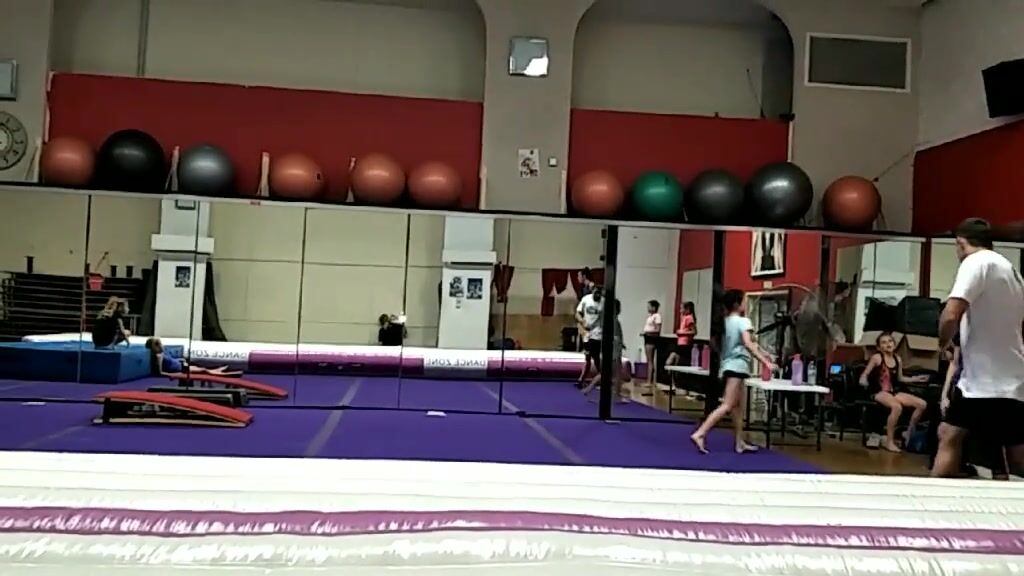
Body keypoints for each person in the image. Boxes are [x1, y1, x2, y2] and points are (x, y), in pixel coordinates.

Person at [932, 218, 1024, 478]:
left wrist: (943, 342)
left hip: (982, 381)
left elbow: (952, 313)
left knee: (949, 434)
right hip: (1014, 378)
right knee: (1016, 452)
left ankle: (933, 495)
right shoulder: (1011, 271)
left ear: (961, 243)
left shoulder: (975, 262)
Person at [690, 289, 775, 454]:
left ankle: (739, 442)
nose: (745, 304)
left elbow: (750, 344)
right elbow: (749, 344)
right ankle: (700, 433)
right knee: (728, 404)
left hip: (729, 365)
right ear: (737, 304)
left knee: (737, 407)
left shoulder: (725, 322)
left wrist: (765, 354)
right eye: (743, 301)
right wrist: (765, 362)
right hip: (737, 367)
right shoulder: (743, 322)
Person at [937, 334, 1009, 479]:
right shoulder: (964, 331)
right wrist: (944, 394)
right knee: (948, 433)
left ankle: (999, 473)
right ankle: (951, 472)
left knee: (994, 437)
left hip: (992, 388)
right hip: (965, 388)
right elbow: (955, 363)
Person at [857, 332, 929, 453]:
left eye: (890, 341)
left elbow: (900, 378)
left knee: (922, 404)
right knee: (897, 407)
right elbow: (865, 374)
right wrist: (863, 380)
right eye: (884, 343)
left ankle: (909, 432)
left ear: (894, 344)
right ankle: (889, 441)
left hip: (893, 391)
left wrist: (916, 379)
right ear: (879, 347)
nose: (888, 344)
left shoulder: (897, 359)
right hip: (879, 392)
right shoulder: (877, 358)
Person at [582, 298, 629, 403]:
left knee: (606, 372)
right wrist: (619, 344)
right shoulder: (613, 321)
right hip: (614, 349)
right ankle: (616, 395)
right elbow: (614, 335)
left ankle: (589, 389)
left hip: (613, 347)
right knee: (616, 372)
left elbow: (616, 335)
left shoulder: (610, 320)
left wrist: (621, 343)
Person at [145, 337, 239, 377]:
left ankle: (218, 370)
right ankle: (224, 374)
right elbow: (160, 372)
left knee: (202, 368)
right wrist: (174, 375)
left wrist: (180, 359)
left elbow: (171, 361)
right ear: (155, 347)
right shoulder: (159, 356)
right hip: (181, 369)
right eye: (159, 344)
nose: (162, 346)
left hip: (181, 365)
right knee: (203, 370)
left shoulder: (163, 353)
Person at [575, 286, 603, 387]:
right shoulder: (586, 299)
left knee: (595, 358)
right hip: (587, 334)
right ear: (592, 292)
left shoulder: (603, 302)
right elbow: (577, 313)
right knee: (588, 357)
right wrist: (582, 322)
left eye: (599, 293)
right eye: (596, 293)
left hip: (598, 334)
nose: (597, 295)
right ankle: (581, 380)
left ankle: (601, 378)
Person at [665, 301, 697, 368]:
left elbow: (694, 332)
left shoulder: (689, 318)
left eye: (681, 308)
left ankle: (670, 371)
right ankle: (673, 373)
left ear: (687, 309)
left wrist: (681, 332)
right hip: (680, 342)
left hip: (685, 343)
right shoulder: (685, 317)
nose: (680, 310)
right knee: (676, 360)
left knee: (672, 358)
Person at [642, 300, 663, 386]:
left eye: (649, 306)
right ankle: (650, 380)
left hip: (651, 339)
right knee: (649, 360)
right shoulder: (650, 317)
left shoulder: (657, 316)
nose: (647, 308)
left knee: (650, 360)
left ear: (654, 307)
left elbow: (657, 330)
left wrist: (647, 333)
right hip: (647, 338)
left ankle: (649, 381)